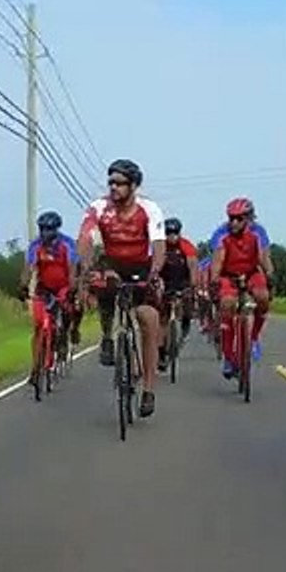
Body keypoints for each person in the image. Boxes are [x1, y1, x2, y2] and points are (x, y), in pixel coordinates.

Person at [76, 158, 166, 417]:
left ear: (134, 186)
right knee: (103, 285)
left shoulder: (149, 209)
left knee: (148, 318)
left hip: (141, 266)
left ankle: (148, 388)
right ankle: (107, 335)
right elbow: (85, 238)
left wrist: (155, 273)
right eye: (111, 182)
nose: (114, 187)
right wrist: (86, 267)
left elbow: (158, 246)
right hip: (111, 263)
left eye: (120, 183)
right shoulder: (99, 207)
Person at [209, 197, 275, 379]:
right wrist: (214, 281)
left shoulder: (257, 234)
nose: (234, 222)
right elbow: (217, 260)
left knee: (262, 297)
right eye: (231, 218)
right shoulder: (222, 235)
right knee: (228, 304)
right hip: (229, 274)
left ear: (249, 218)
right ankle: (229, 357)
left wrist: (270, 275)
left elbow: (263, 257)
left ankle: (253, 338)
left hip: (251, 272)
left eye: (239, 218)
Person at [19, 211, 82, 384]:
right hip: (43, 288)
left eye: (49, 229)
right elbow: (29, 267)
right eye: (42, 229)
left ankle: (64, 339)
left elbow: (72, 269)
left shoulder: (67, 244)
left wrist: (71, 290)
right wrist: (23, 285)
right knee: (39, 326)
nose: (45, 233)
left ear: (56, 229)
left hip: (63, 286)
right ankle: (35, 367)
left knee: (68, 312)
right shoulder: (35, 245)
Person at [157, 216, 198, 371]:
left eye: (174, 233)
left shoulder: (186, 246)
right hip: (165, 281)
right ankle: (161, 353)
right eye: (168, 233)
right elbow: (154, 266)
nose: (171, 236)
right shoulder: (160, 246)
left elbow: (193, 266)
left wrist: (192, 285)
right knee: (163, 318)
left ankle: (185, 324)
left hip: (183, 280)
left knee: (187, 302)